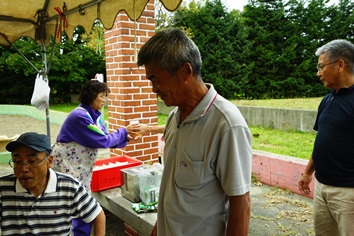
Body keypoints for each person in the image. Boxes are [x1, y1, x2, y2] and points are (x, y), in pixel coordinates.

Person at [137, 28, 253, 236]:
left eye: (155, 79)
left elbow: (241, 205)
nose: (154, 89)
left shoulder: (226, 124)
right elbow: (171, 192)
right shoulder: (174, 118)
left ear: (185, 72)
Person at [51, 79, 140, 235]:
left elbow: (107, 139)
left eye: (106, 96)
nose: (105, 100)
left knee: (81, 203)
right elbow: (104, 141)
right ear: (91, 96)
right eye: (102, 96)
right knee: (73, 205)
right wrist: (124, 131)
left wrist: (125, 138)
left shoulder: (96, 117)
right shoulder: (80, 116)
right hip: (67, 166)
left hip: (80, 168)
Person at [298, 39, 354, 235]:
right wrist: (307, 172)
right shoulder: (327, 100)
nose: (318, 73)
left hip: (348, 193)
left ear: (340, 65)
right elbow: (322, 140)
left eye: (321, 67)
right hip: (322, 187)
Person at [0, 132, 105, 236]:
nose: (24, 169)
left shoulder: (69, 186)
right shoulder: (3, 188)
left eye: (32, 161)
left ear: (49, 161)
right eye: (17, 161)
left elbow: (97, 215)